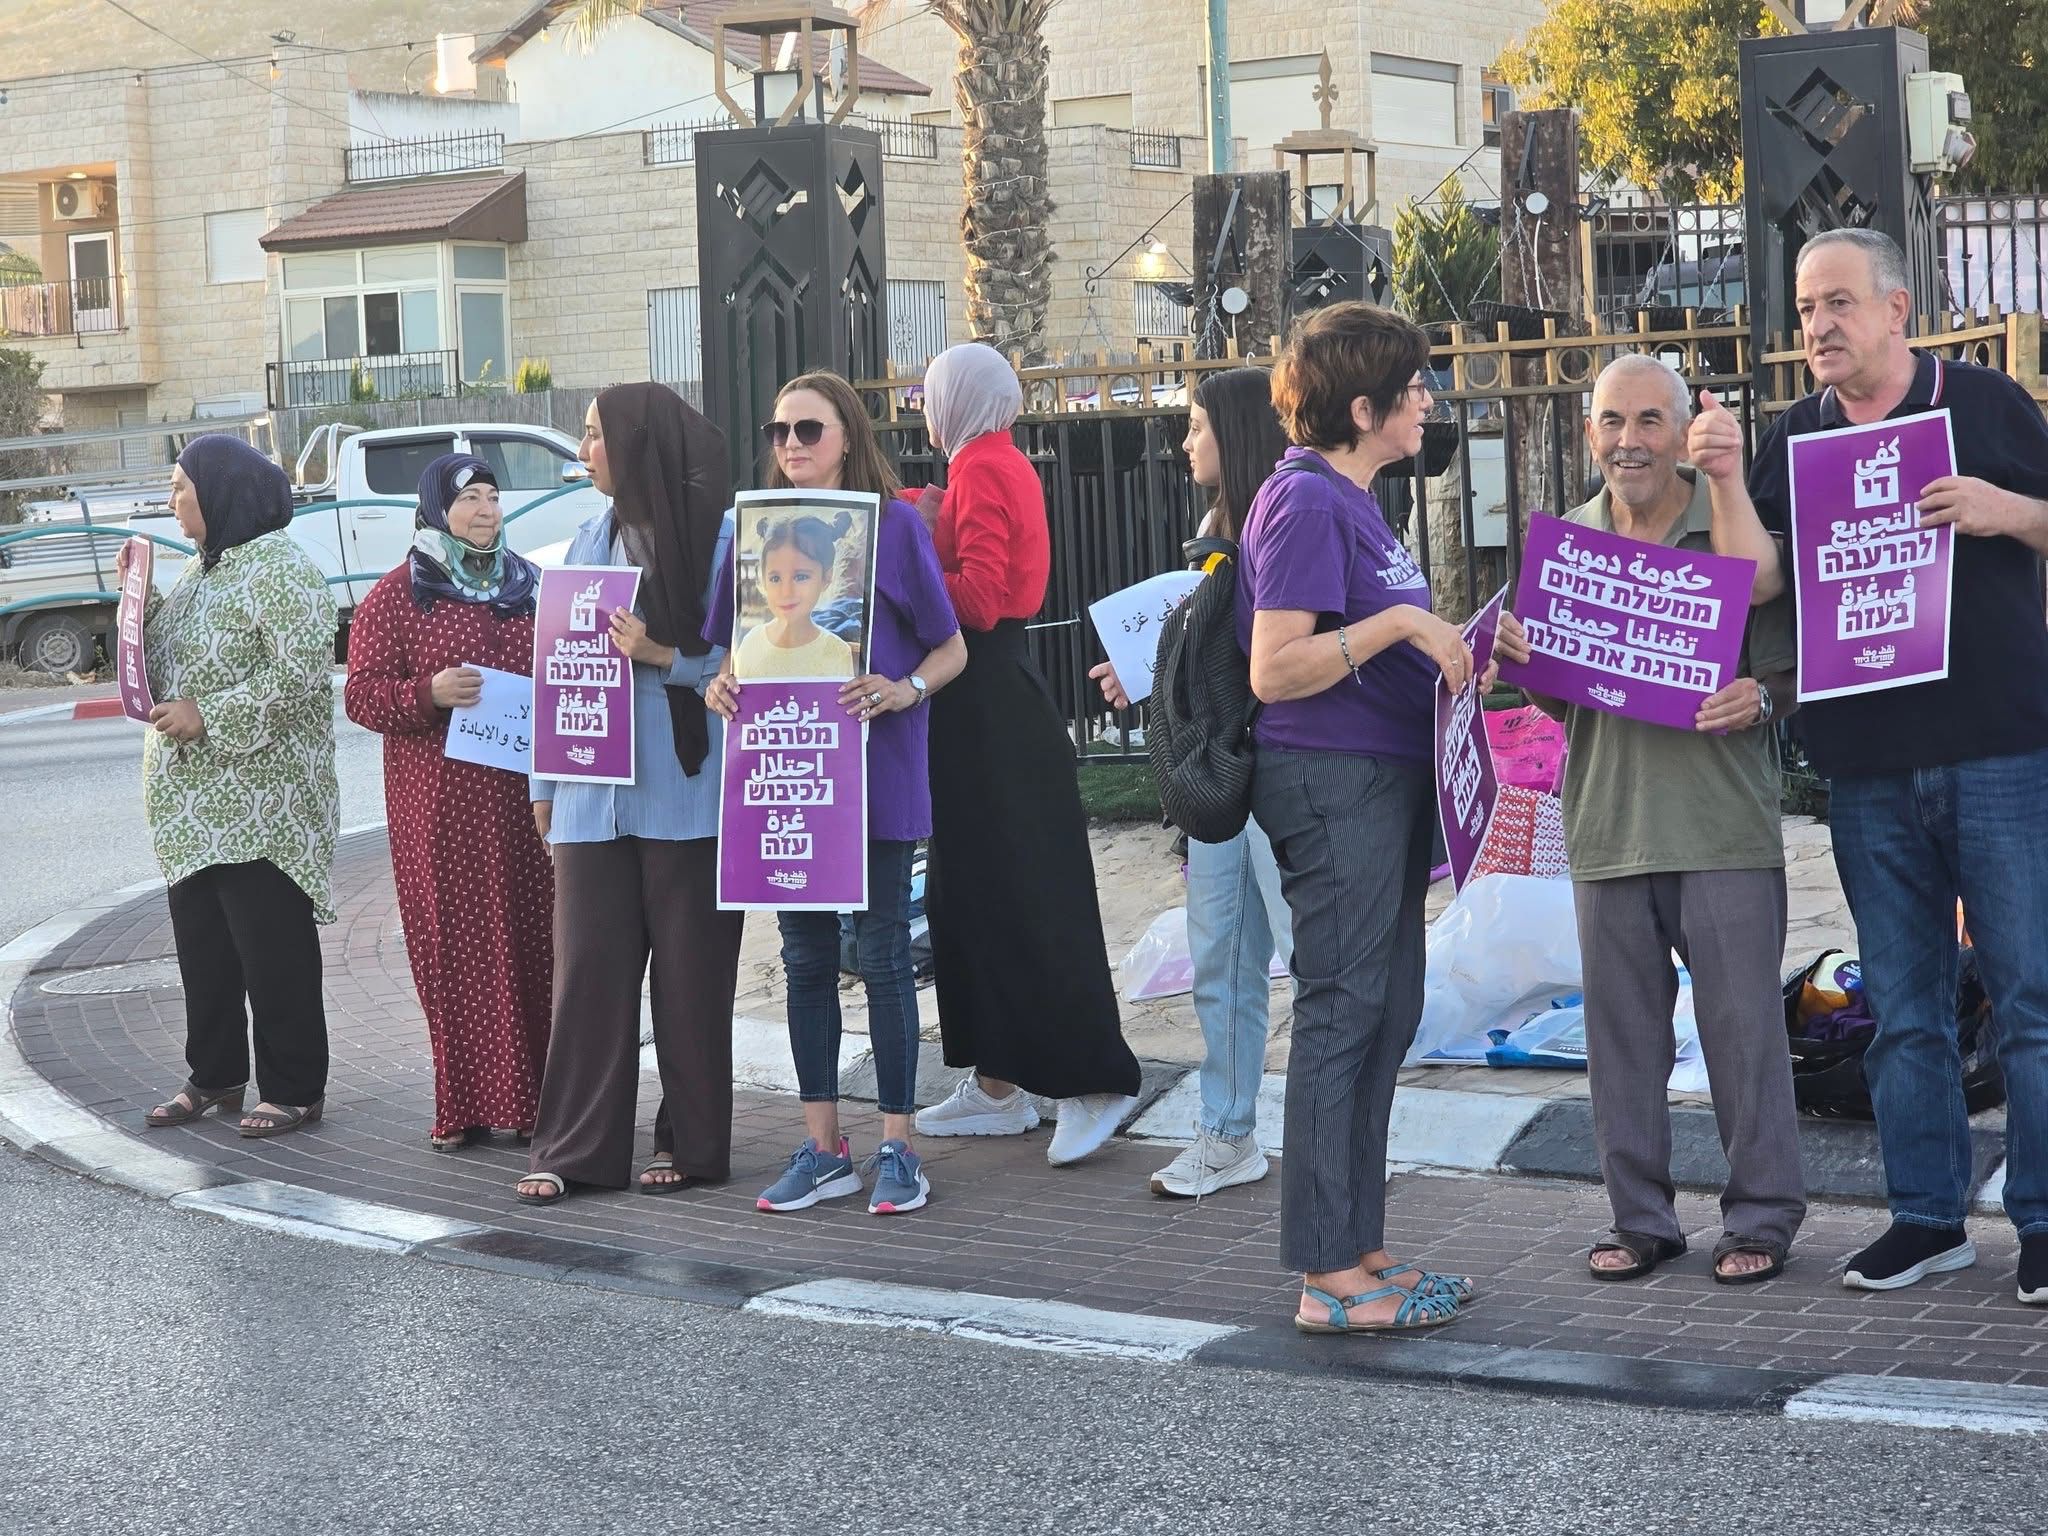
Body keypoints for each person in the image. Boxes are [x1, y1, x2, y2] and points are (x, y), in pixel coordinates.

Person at [1746, 229, 2048, 1304]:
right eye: (1803, 307)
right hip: (1867, 767)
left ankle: (2041, 1222)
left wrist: (2000, 508)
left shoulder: (1983, 407)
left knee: (2026, 997)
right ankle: (1925, 1220)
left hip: (1999, 753)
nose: (1817, 324)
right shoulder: (1787, 440)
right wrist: (1711, 484)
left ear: (1894, 312)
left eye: (1836, 302)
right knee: (1905, 1011)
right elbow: (1758, 585)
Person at [1493, 355, 1805, 1284]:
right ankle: (1641, 1220)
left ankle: (1761, 1218)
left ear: (1680, 431)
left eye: (1648, 422)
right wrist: (1525, 660)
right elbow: (1562, 704)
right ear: (1589, 431)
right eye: (1611, 421)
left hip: (1720, 826)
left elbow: (1796, 671)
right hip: (1607, 825)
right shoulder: (1568, 545)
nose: (1628, 441)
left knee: (1744, 1033)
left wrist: (1761, 698)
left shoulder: (1733, 533)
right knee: (1620, 1041)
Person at [1239, 303, 1483, 1334]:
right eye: (1412, 385)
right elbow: (1275, 666)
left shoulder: (1355, 500)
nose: (1426, 399)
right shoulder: (1301, 503)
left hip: (1379, 781)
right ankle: (1324, 1275)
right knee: (1343, 1013)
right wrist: (1399, 625)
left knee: (1384, 1012)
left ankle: (1358, 1246)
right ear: (1360, 405)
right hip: (1330, 785)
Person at [706, 370, 967, 1215]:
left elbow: (951, 648)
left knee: (886, 955)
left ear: (848, 435)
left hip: (875, 775)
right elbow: (730, 653)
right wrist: (721, 685)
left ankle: (899, 1147)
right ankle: (824, 1147)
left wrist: (904, 691)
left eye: (808, 431)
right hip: (786, 780)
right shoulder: (749, 531)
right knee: (806, 956)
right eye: (780, 431)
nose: (790, 446)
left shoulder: (891, 529)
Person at [912, 342, 1144, 1164]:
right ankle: (1001, 1083)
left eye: (931, 393)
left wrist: (907, 555)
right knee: (968, 896)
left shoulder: (980, 468)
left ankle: (1096, 1078)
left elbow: (978, 598)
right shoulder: (995, 460)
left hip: (991, 708)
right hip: (985, 703)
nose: (922, 406)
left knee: (1026, 896)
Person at [516, 384, 742, 1205]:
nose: (583, 452)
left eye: (594, 436)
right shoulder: (582, 537)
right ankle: (574, 1148)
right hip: (586, 794)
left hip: (683, 792)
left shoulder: (717, 545)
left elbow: (743, 664)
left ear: (639, 444)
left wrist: (660, 653)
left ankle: (691, 1142)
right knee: (587, 973)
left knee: (689, 978)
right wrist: (544, 782)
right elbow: (557, 666)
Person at [1087, 368, 1296, 1197]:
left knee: (1310, 966)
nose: (1185, 442)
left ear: (1237, 435)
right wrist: (1149, 671)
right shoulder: (1217, 535)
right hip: (1222, 787)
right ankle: (1228, 1133)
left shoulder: (1285, 527)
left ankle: (1337, 1138)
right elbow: (1215, 658)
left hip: (1280, 780)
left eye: (1197, 425)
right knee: (1221, 963)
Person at [342, 453, 553, 1151]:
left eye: (493, 496)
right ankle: (463, 1105)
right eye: (470, 499)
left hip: (528, 809)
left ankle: (537, 1103)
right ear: (438, 509)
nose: (486, 510)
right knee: (456, 951)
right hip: (441, 815)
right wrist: (425, 694)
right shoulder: (399, 596)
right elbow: (361, 694)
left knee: (533, 945)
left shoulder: (530, 587)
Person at [130, 435, 338, 1139]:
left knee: (271, 948)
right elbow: (166, 666)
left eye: (181, 487)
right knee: (205, 951)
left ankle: (295, 1086)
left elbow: (300, 673)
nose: (171, 500)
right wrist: (133, 622)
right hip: (192, 805)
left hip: (262, 801)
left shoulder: (281, 569)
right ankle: (214, 1074)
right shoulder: (200, 570)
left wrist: (208, 714)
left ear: (222, 494)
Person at [733, 509, 860, 680]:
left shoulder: (837, 652)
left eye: (801, 577)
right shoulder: (751, 645)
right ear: (763, 579)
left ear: (826, 578)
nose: (787, 592)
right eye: (775, 578)